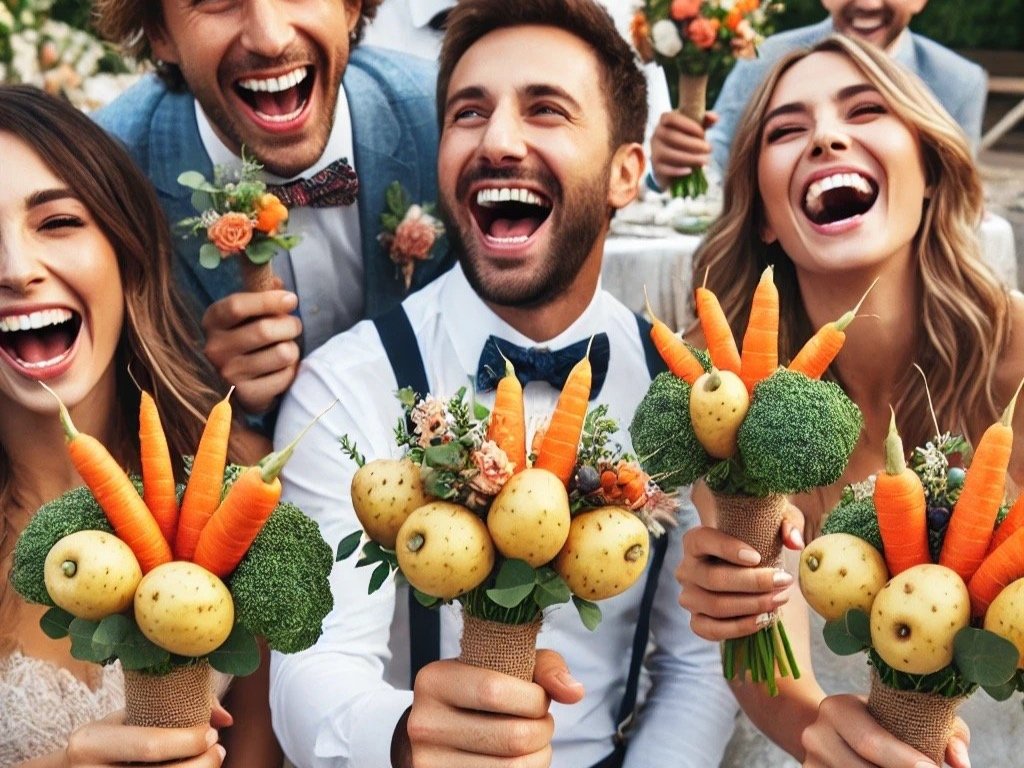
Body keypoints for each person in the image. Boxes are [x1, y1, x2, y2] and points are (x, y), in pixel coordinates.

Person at [269, 1, 737, 767]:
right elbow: (311, 666)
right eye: (468, 113)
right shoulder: (348, 384)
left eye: (545, 110)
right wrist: (405, 738)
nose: (498, 141)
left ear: (627, 172)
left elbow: (696, 667)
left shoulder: (682, 396)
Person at [674, 34, 1024, 767]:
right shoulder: (730, 397)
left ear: (928, 170)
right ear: (766, 213)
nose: (827, 136)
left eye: (864, 110)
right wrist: (822, 736)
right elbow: (770, 656)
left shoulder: (1018, 353)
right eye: (787, 129)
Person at [0, 85, 282, 768]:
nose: (16, 270)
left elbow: (263, 749)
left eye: (57, 222)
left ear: (123, 250)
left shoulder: (242, 477)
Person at [92, 0, 454, 418]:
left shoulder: (448, 120)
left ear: (351, 6)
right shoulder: (103, 180)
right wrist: (201, 397)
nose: (270, 38)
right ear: (161, 34)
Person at [649, 0, 988, 192]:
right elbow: (717, 159)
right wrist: (673, 165)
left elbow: (957, 196)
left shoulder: (958, 82)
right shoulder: (763, 59)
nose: (868, 3)